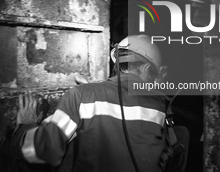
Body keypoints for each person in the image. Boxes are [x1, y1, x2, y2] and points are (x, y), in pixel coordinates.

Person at [11, 35, 174, 172]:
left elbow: (44, 151)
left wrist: (24, 127)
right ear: (145, 68)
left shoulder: (82, 95)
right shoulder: (159, 105)